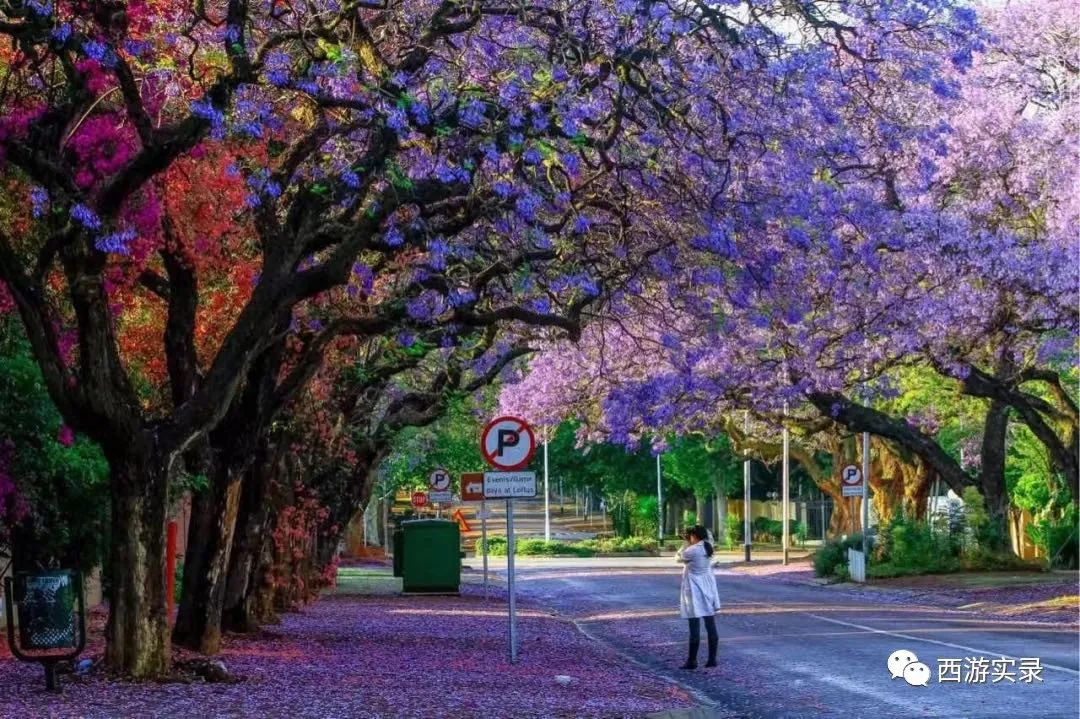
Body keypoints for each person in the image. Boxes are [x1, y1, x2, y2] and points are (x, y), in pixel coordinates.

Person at [676, 524, 721, 669]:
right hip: (708, 588)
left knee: (694, 626)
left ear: (694, 536)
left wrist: (685, 544)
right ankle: (712, 659)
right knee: (710, 624)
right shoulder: (708, 547)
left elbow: (678, 558)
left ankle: (692, 660)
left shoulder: (692, 550)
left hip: (694, 590)